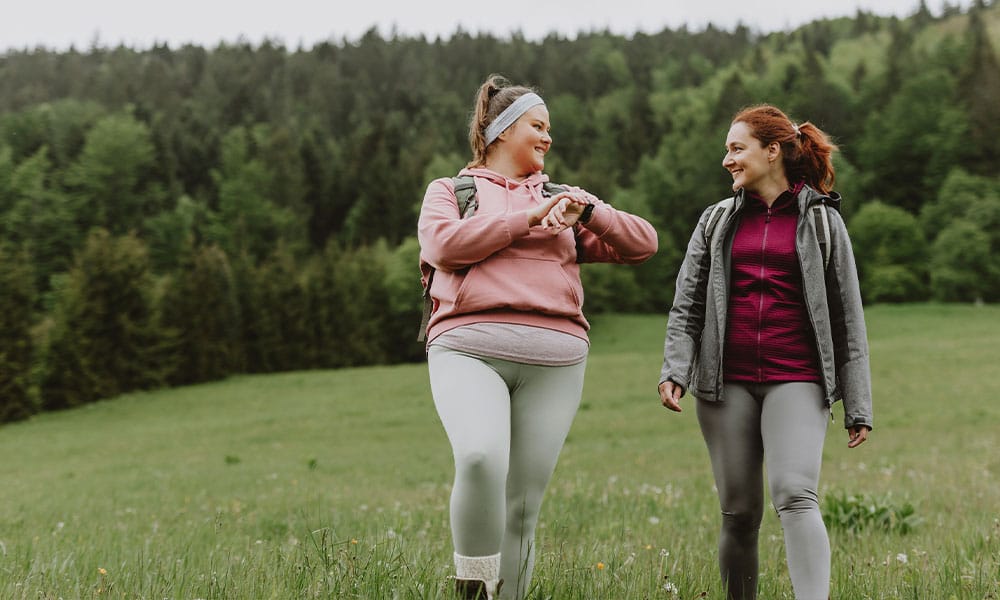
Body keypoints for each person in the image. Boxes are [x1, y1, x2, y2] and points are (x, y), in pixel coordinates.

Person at [418, 74, 658, 600]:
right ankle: (474, 589)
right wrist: (528, 217)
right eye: (538, 126)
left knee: (522, 506)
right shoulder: (451, 192)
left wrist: (590, 212)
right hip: (468, 346)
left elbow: (643, 244)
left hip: (557, 360)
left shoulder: (563, 199)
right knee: (480, 457)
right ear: (502, 131)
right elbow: (442, 246)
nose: (548, 138)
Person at [657, 104, 873, 600]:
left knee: (796, 495)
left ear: (772, 151)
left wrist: (857, 402)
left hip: (797, 376)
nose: (727, 159)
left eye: (737, 148)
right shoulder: (715, 222)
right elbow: (686, 304)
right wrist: (675, 369)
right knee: (738, 512)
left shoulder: (823, 221)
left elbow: (847, 317)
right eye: (727, 150)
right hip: (724, 382)